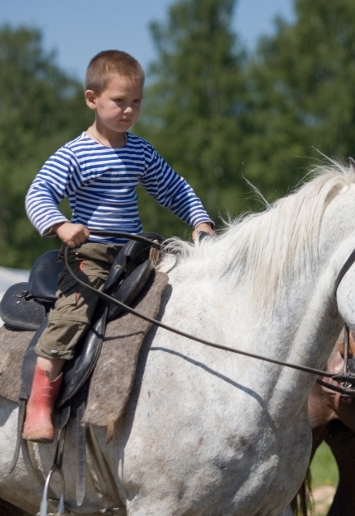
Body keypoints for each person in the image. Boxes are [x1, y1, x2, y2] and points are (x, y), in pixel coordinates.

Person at [22, 50, 215, 442]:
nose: (129, 110)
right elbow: (39, 192)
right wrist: (60, 225)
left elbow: (173, 187)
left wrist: (200, 220)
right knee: (70, 318)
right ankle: (39, 405)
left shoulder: (140, 151)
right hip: (90, 256)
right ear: (92, 99)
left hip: (137, 252)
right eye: (119, 101)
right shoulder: (75, 153)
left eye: (136, 102)